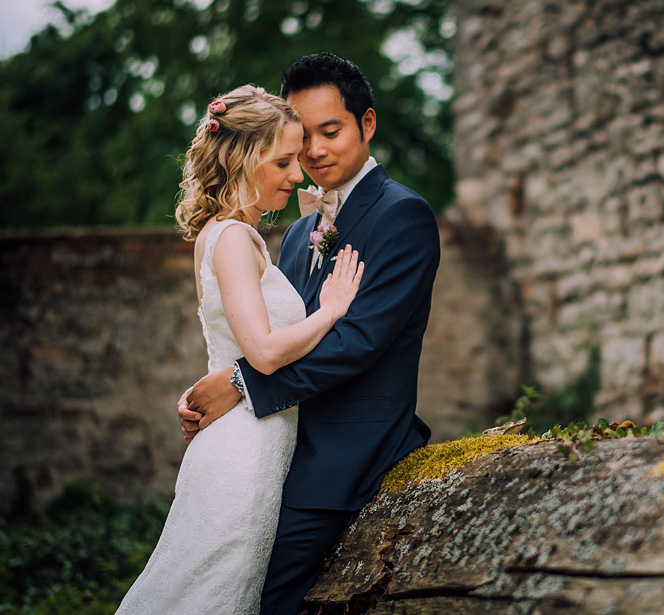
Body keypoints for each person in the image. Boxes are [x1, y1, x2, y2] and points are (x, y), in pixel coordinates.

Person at [178, 53, 440, 615]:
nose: (315, 152)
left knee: (263, 596)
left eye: (332, 131)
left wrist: (240, 386)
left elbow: (358, 344)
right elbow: (272, 334)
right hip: (278, 445)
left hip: (346, 452)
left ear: (366, 124)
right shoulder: (296, 234)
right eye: (304, 139)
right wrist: (220, 390)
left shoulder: (404, 216)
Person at [116, 85, 365, 614]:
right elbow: (265, 353)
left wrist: (317, 225)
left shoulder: (227, 234)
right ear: (244, 159)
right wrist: (331, 309)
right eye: (282, 162)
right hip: (242, 453)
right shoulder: (232, 238)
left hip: (254, 441)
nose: (297, 174)